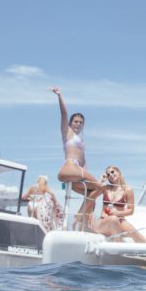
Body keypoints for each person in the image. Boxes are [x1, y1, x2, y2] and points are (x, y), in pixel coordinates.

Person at [51, 87, 102, 228]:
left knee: (93, 191)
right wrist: (59, 95)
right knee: (101, 187)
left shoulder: (82, 142)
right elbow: (64, 113)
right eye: (75, 121)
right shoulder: (67, 133)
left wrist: (88, 177)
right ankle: (79, 216)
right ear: (70, 123)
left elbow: (84, 163)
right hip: (69, 167)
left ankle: (81, 221)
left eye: (81, 122)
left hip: (77, 173)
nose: (78, 124)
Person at [93, 165, 145, 242]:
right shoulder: (105, 188)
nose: (110, 175)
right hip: (104, 220)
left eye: (112, 172)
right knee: (113, 219)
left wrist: (118, 213)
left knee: (140, 238)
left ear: (119, 172)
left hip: (120, 220)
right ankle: (118, 247)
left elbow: (131, 211)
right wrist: (101, 181)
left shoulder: (127, 190)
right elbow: (92, 196)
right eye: (108, 174)